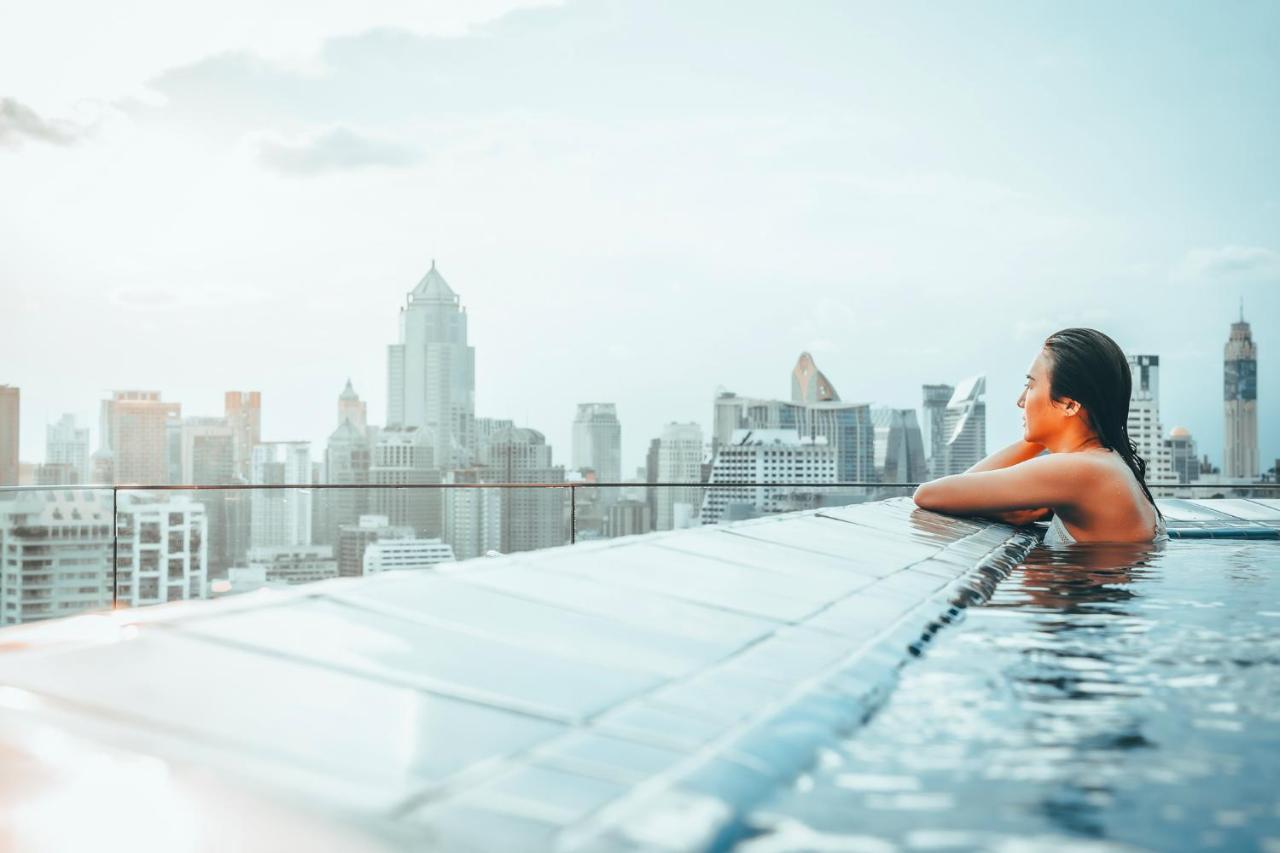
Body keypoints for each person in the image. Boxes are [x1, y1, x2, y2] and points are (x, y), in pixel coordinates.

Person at [913, 327, 1166, 544]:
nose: (1021, 400)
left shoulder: (1081, 469)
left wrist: (1031, 439)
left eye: (1031, 385)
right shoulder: (1108, 463)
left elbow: (929, 495)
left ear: (1069, 404)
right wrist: (1036, 437)